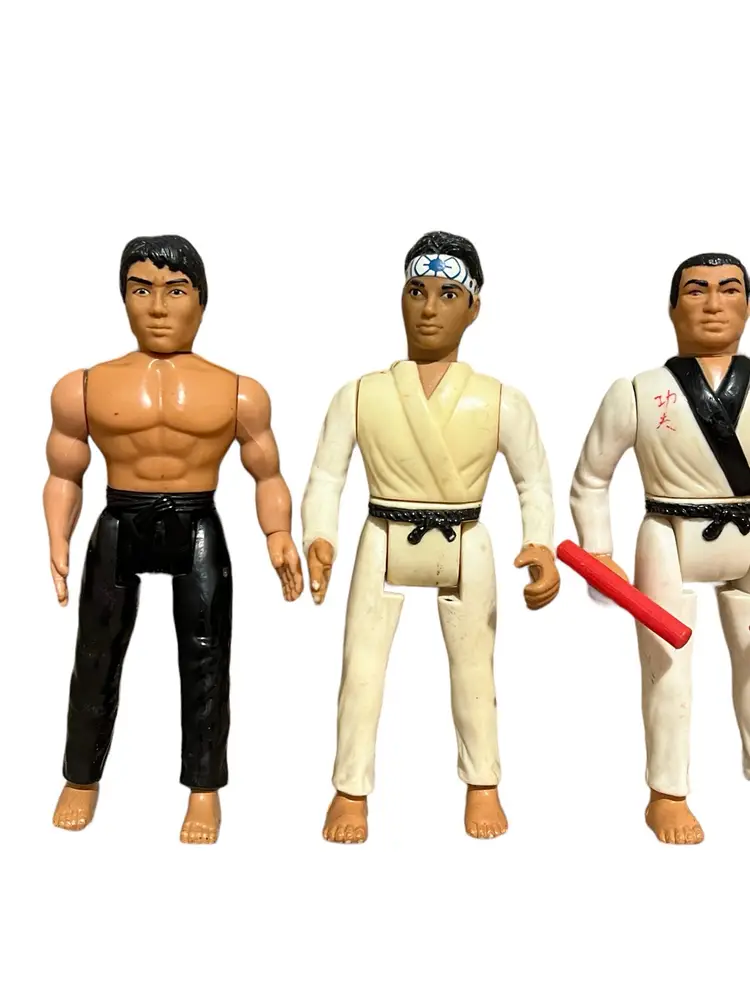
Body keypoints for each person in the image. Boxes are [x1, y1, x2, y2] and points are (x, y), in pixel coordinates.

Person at [302, 230, 559, 843]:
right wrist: (319, 535)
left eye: (448, 295)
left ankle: (483, 781)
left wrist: (541, 544)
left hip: (465, 537)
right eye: (416, 291)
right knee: (360, 670)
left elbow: (534, 481)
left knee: (475, 670)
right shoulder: (359, 394)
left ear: (473, 308)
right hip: (383, 535)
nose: (428, 309)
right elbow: (327, 476)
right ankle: (350, 787)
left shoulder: (501, 401)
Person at [45, 234, 303, 843]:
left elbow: (267, 472)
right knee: (95, 654)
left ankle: (204, 788)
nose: (158, 306)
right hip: (119, 519)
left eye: (176, 291)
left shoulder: (238, 391)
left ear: (201, 302)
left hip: (196, 522)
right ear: (123, 298)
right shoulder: (83, 386)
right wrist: (58, 537)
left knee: (207, 658)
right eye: (142, 290)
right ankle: (81, 775)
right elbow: (64, 471)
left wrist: (278, 533)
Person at [570, 252, 750, 845]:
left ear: (748, 305)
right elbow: (591, 479)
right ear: (673, 309)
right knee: (666, 668)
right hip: (669, 532)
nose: (714, 303)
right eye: (696, 290)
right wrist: (599, 550)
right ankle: (667, 793)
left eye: (729, 289)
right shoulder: (640, 392)